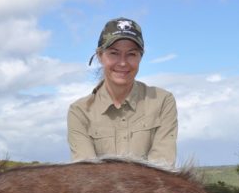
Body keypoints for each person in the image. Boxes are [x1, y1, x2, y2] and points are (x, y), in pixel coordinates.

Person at [67, 17, 178, 167]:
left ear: (140, 57)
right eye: (114, 53)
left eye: (131, 54)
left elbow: (162, 170)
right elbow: (88, 177)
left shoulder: (163, 101)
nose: (123, 62)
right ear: (100, 56)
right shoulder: (79, 111)